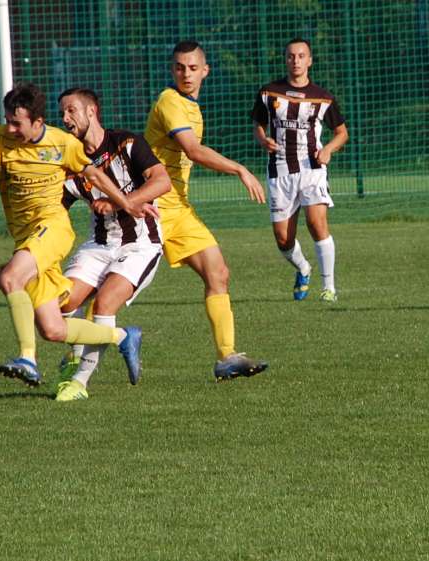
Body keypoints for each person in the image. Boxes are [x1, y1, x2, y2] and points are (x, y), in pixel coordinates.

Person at [0, 83, 158, 387]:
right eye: (7, 120)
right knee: (52, 327)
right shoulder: (0, 136)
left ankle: (28, 358)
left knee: (10, 278)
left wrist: (127, 202)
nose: (9, 128)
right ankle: (122, 336)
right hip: (26, 237)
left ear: (38, 122)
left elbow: (94, 175)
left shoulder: (62, 143)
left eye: (17, 123)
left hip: (52, 227)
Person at [144, 41, 269, 381]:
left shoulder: (191, 106)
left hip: (178, 208)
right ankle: (74, 350)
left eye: (192, 67)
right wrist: (240, 169)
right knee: (117, 289)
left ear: (205, 70)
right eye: (180, 67)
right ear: (173, 70)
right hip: (150, 207)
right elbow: (193, 151)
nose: (186, 73)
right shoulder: (170, 101)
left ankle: (227, 357)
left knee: (219, 273)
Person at [54, 88, 172, 401]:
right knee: (60, 304)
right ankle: (94, 347)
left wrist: (119, 203)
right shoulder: (72, 161)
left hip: (141, 244)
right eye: (62, 113)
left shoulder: (125, 143)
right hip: (100, 243)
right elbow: (56, 209)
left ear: (91, 111)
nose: (65, 119)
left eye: (71, 111)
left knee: (104, 305)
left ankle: (79, 382)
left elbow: (162, 181)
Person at [251, 38, 348, 303]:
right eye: (291, 56)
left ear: (310, 60)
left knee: (317, 224)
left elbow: (341, 133)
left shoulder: (323, 97)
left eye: (301, 56)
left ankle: (329, 288)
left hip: (312, 169)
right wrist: (262, 139)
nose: (296, 60)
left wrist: (328, 149)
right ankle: (304, 268)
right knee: (283, 239)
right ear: (286, 60)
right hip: (280, 171)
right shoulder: (269, 93)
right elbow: (258, 125)